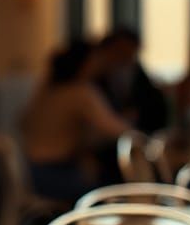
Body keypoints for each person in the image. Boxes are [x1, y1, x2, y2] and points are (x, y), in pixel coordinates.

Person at [20, 40, 129, 202]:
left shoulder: (48, 89)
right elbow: (115, 129)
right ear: (86, 63)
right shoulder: (81, 92)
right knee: (111, 196)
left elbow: (24, 122)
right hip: (59, 171)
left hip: (32, 169)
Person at [95, 27, 168, 135]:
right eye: (120, 49)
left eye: (129, 49)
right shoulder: (95, 79)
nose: (125, 54)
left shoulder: (141, 78)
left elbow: (156, 110)